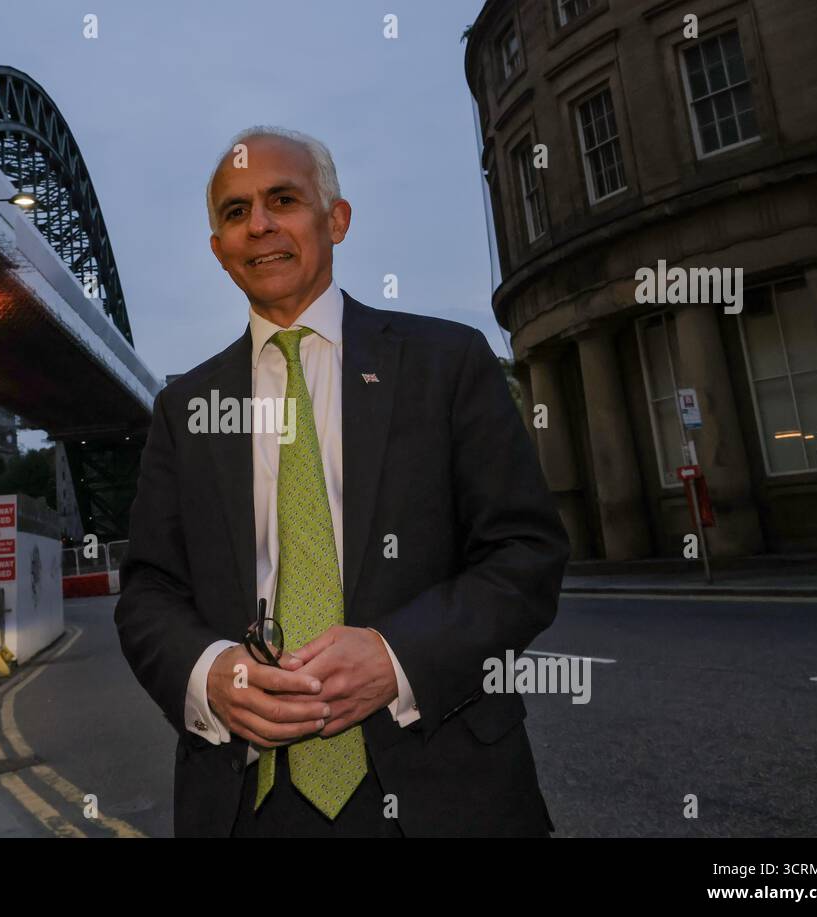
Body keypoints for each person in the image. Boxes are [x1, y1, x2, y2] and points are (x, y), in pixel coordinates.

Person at [113, 127, 570, 837]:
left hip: (443, 787)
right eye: (235, 213)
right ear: (218, 249)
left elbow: (524, 555)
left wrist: (397, 656)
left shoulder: (445, 363)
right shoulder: (184, 409)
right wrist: (210, 673)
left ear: (337, 219)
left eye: (282, 199)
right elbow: (148, 591)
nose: (258, 224)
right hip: (248, 802)